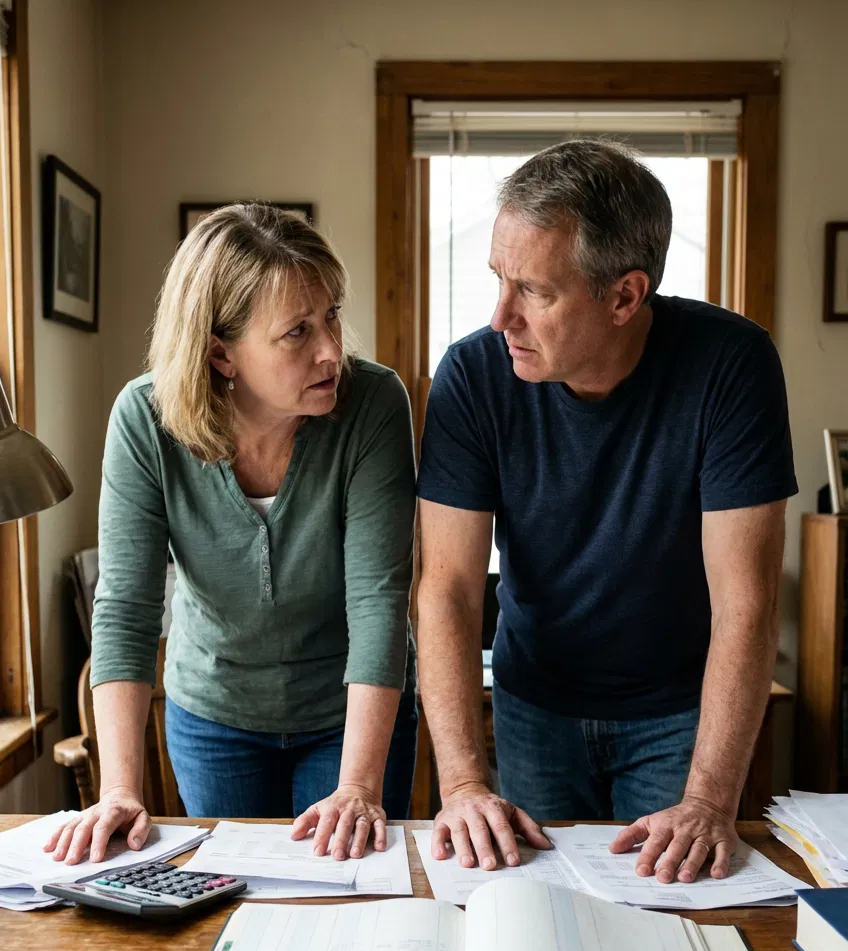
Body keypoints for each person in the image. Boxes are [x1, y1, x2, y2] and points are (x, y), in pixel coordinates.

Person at [416, 140, 797, 884]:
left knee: (670, 907)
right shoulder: (471, 374)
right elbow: (448, 589)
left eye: (534, 291)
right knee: (533, 905)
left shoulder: (732, 364)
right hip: (533, 702)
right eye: (498, 280)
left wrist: (708, 800)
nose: (500, 318)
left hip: (681, 713)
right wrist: (461, 783)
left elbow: (746, 601)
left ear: (624, 297)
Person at [46, 204, 417, 867]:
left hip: (349, 713)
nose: (332, 350)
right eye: (297, 332)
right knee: (235, 895)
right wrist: (120, 790)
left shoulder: (374, 404)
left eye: (331, 315)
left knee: (354, 891)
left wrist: (359, 787)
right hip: (215, 718)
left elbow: (378, 603)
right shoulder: (144, 419)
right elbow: (126, 609)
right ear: (221, 353)